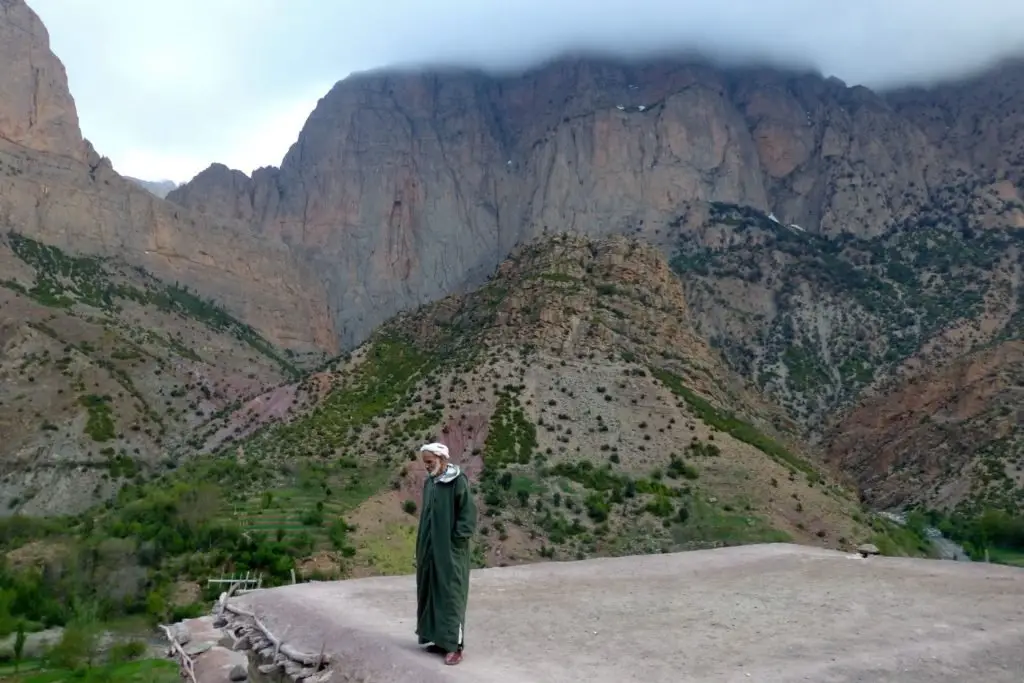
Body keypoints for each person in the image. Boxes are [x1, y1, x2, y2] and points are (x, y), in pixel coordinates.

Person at [415, 442, 477, 666]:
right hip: (430, 550)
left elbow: (468, 517)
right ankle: (439, 640)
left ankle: (455, 646)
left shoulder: (457, 481)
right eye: (425, 463)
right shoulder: (430, 482)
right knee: (432, 591)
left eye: (430, 462)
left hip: (450, 552)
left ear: (442, 459)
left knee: (451, 596)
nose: (427, 467)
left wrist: (454, 543)